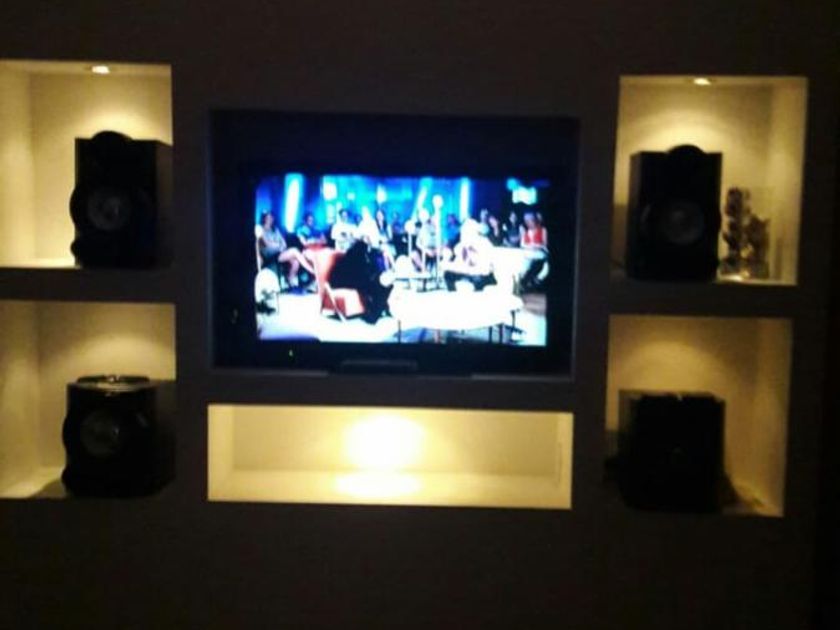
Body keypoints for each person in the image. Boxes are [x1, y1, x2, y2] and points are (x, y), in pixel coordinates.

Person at [328, 240, 393, 324]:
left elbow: (365, 271)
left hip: (353, 280)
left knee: (384, 286)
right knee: (376, 287)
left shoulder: (359, 257)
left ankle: (380, 308)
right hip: (343, 282)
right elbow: (357, 274)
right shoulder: (352, 259)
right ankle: (375, 312)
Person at [255, 211, 315, 288]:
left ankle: (290, 281)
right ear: (264, 218)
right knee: (294, 251)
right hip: (269, 254)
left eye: (271, 217)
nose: (270, 219)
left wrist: (277, 245)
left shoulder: (275, 230)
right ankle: (312, 271)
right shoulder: (261, 229)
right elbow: (268, 244)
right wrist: (278, 245)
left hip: (279, 253)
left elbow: (283, 243)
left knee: (295, 262)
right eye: (268, 217)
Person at [442, 219, 497, 292]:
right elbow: (460, 264)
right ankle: (453, 294)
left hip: (483, 275)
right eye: (463, 233)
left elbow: (484, 269)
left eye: (466, 233)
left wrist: (467, 267)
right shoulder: (461, 246)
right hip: (469, 272)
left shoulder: (484, 244)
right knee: (448, 274)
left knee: (478, 279)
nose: (463, 236)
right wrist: (448, 263)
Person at [519, 211, 548, 290]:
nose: (529, 222)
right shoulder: (527, 231)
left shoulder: (543, 230)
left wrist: (535, 246)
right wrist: (530, 246)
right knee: (524, 261)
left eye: (530, 220)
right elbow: (522, 244)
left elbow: (544, 244)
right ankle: (522, 281)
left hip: (540, 253)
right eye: (527, 221)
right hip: (529, 253)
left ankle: (533, 281)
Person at [411, 208, 439, 272]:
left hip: (436, 250)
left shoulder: (439, 230)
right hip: (425, 250)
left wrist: (435, 250)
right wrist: (426, 250)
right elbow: (418, 243)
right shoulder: (423, 228)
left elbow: (443, 242)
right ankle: (425, 270)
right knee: (414, 254)